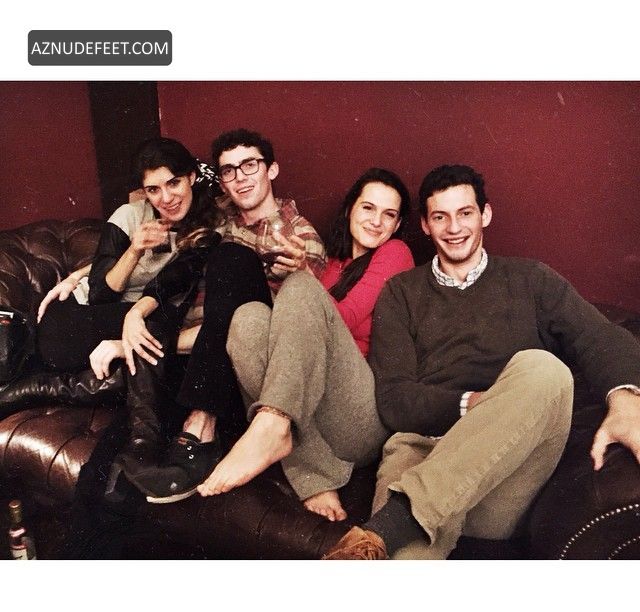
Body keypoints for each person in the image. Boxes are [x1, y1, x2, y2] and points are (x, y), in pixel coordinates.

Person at [323, 164, 640, 559]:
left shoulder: (532, 279)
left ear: (485, 214)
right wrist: (472, 403)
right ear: (425, 225)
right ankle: (399, 524)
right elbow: (394, 398)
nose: (454, 227)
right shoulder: (401, 292)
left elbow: (601, 336)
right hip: (421, 454)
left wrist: (627, 402)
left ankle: (395, 522)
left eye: (465, 213)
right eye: (441, 217)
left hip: (504, 479)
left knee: (544, 369)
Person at [113, 128, 327, 503]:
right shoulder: (216, 217)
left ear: (272, 169)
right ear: (220, 180)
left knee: (232, 257)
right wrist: (83, 277)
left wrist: (303, 272)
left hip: (234, 373)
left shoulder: (299, 236)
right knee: (113, 472)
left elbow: (289, 331)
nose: (240, 178)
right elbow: (157, 233)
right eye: (229, 170)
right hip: (186, 363)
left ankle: (202, 423)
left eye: (250, 165)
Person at [189, 167, 415, 522]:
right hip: (315, 405)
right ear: (350, 209)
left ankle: (272, 427)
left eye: (389, 215)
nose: (376, 221)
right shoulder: (333, 263)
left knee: (298, 288)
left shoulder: (396, 253)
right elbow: (295, 337)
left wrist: (303, 278)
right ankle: (307, 465)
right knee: (248, 318)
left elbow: (342, 318)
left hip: (360, 416)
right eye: (368, 208)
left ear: (398, 224)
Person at [0, 137, 220, 419]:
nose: (166, 199)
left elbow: (174, 283)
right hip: (77, 315)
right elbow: (100, 294)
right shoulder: (129, 216)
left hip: (136, 316)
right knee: (157, 334)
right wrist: (134, 249)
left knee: (161, 354)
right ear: (144, 192)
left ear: (191, 177)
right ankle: (36, 387)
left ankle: (36, 389)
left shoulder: (208, 228)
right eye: (153, 190)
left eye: (173, 183)